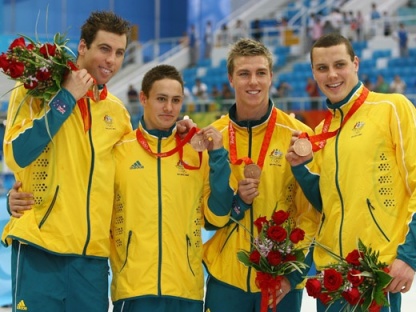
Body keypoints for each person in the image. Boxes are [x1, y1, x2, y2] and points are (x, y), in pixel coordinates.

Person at [1, 11, 133, 312]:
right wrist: (66, 98)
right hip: (40, 248)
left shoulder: (118, 113)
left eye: (119, 52)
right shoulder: (35, 91)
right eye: (104, 49)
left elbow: (133, 175)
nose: (111, 60)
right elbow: (17, 154)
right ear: (83, 47)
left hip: (92, 257)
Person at [286, 33, 416, 312]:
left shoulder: (392, 108)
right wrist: (301, 168)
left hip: (375, 273)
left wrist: (410, 256)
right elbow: (327, 204)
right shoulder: (322, 133)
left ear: (355, 63)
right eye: (322, 68)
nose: (332, 75)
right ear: (313, 73)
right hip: (330, 278)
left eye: (340, 65)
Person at [203, 38, 320, 312]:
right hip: (225, 277)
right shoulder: (213, 137)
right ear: (231, 78)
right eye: (244, 74)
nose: (252, 81)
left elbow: (312, 214)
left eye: (260, 73)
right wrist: (235, 202)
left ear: (271, 77)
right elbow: (207, 219)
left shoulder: (299, 136)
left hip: (280, 280)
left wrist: (291, 276)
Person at [109, 64, 233, 311]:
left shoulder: (196, 153)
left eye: (176, 100)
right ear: (143, 98)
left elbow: (218, 217)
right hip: (134, 289)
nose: (169, 108)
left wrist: (218, 156)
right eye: (161, 99)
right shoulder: (119, 151)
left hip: (186, 289)